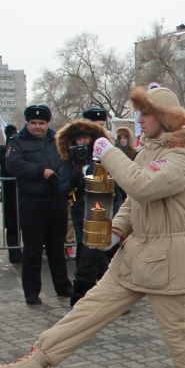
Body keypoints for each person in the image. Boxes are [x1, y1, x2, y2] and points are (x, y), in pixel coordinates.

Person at [0, 86, 185, 368]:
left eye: (145, 114)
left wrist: (108, 151)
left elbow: (141, 186)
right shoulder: (151, 152)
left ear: (162, 118)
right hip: (134, 256)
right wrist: (115, 233)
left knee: (180, 336)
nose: (139, 120)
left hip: (167, 259)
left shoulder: (181, 156)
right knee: (85, 312)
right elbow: (135, 204)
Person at [6, 105, 73, 305]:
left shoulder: (58, 140)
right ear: (27, 123)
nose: (37, 127)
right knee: (33, 250)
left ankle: (63, 286)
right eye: (33, 123)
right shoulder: (17, 141)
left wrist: (66, 186)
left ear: (47, 123)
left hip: (56, 200)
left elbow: (67, 164)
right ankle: (32, 292)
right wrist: (40, 171)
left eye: (41, 123)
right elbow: (13, 164)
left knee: (56, 248)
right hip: (32, 202)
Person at [55, 116, 115, 307]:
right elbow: (61, 188)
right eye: (77, 140)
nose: (81, 143)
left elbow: (117, 185)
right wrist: (73, 181)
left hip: (101, 210)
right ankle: (103, 296)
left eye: (84, 138)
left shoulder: (102, 158)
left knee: (95, 256)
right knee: (90, 255)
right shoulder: (70, 162)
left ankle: (83, 297)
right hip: (80, 211)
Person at [0, 124, 22, 263]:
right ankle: (14, 252)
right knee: (12, 226)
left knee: (23, 224)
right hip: (10, 195)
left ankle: (20, 250)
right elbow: (8, 164)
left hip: (22, 194)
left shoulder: (21, 151)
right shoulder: (1, 153)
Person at [113, 126, 137, 215]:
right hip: (118, 188)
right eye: (120, 138)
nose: (122, 140)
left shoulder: (135, 153)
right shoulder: (115, 153)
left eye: (124, 138)